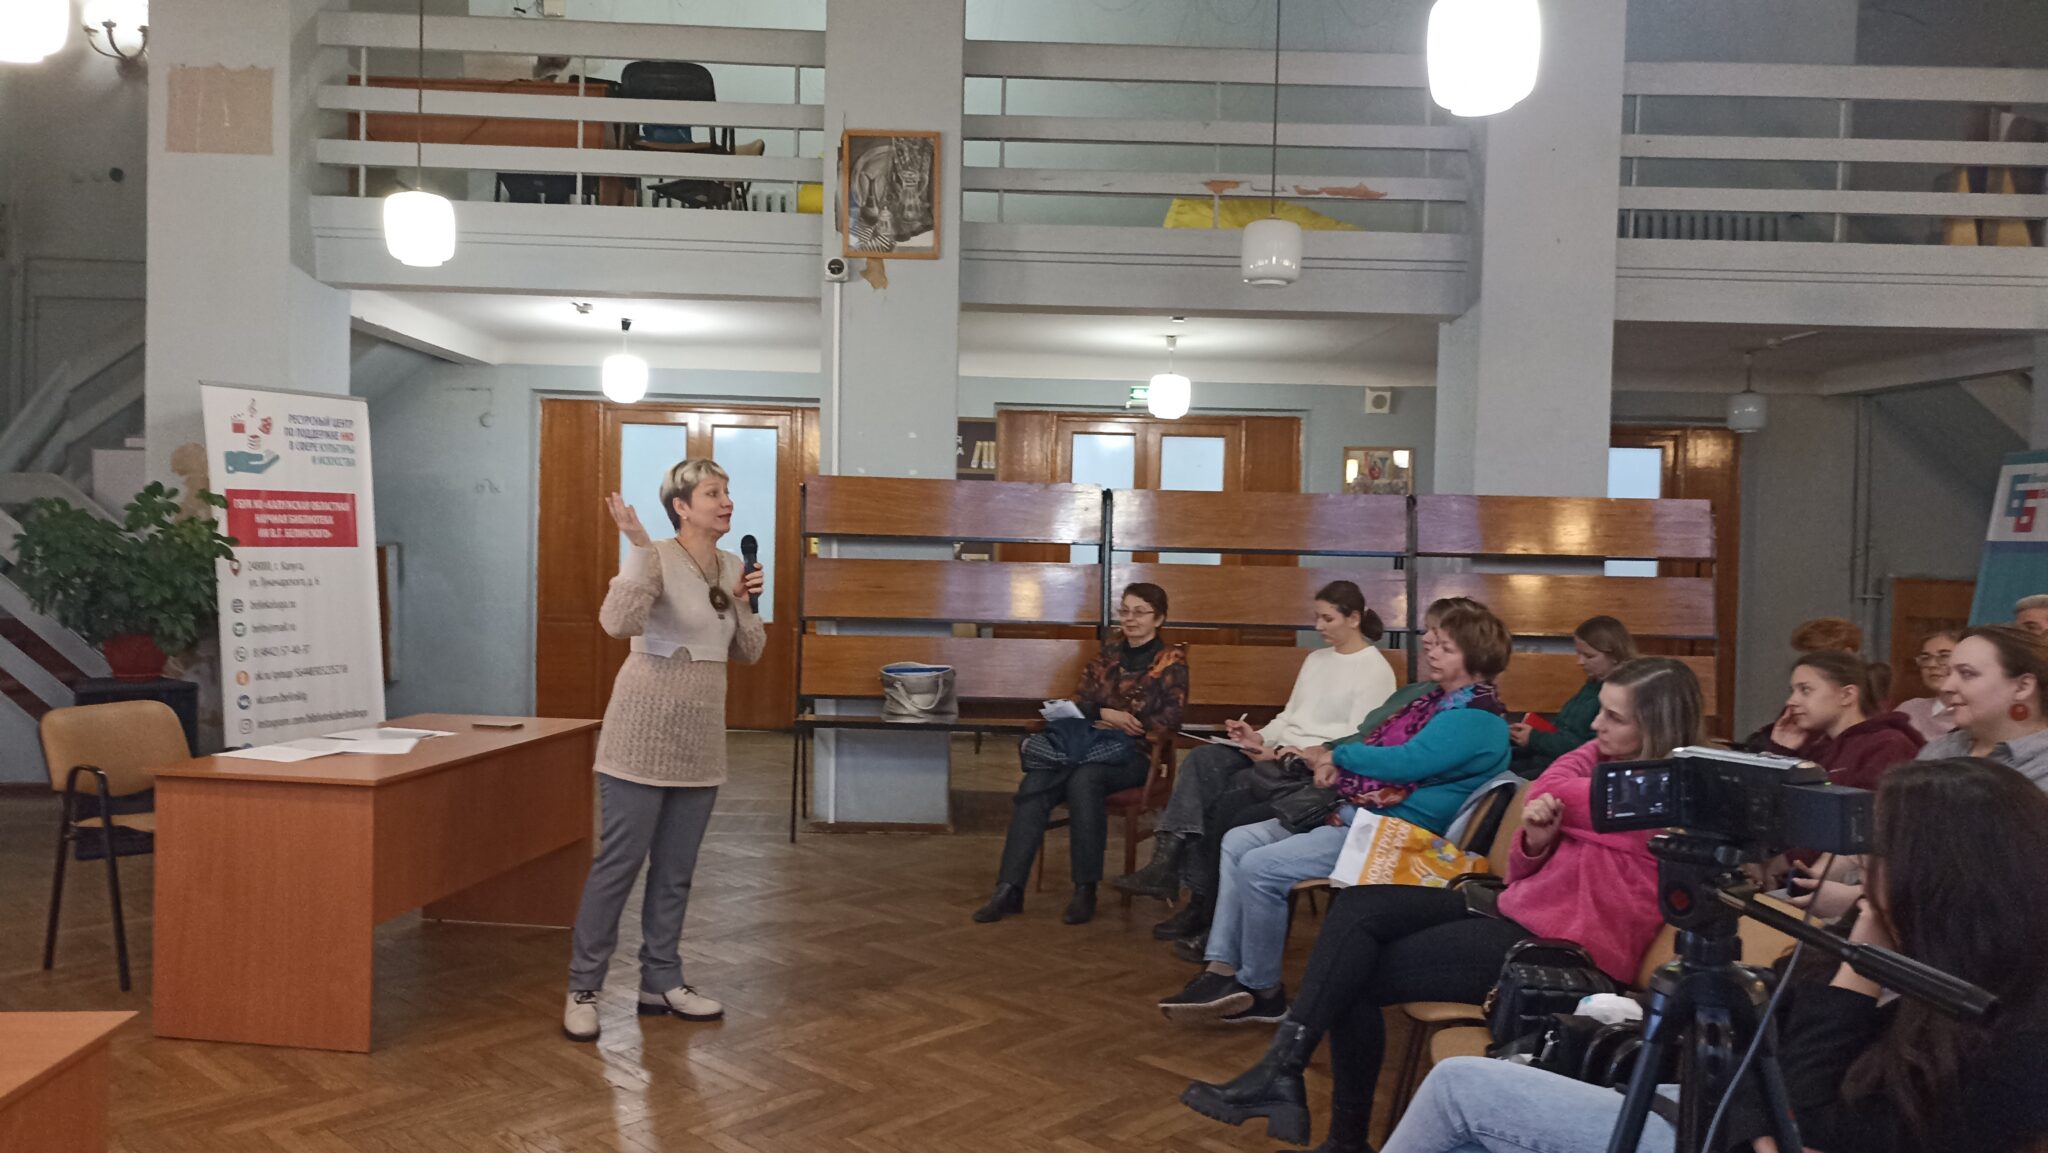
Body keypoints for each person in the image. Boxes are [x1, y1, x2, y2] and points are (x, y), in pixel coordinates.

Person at [1378, 757, 2048, 1153]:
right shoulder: (1883, 927)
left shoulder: (2014, 1026)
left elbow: (1814, 1118)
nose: (1866, 860)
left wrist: (1860, 964)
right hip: (1724, 1120)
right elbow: (1753, 1039)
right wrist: (1761, 1121)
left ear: (1938, 871)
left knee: (1461, 1090)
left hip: (1721, 1130)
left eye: (1882, 847)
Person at [1178, 658, 1704, 1151]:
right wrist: (1538, 841)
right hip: (1520, 911)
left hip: (1567, 953)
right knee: (1355, 910)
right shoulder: (1607, 770)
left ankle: (1324, 1118)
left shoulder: (1669, 800)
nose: (1595, 726)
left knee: (1351, 976)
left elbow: (1558, 789)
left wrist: (1560, 806)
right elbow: (1532, 848)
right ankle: (1286, 1071)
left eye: (1613, 717)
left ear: (1655, 727)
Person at [1156, 604, 1513, 1025]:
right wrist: (1339, 761)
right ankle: (1221, 969)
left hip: (1399, 834)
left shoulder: (1475, 718)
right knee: (1239, 839)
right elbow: (1379, 746)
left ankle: (1262, 990)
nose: (1431, 650)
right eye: (1433, 642)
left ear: (1476, 659)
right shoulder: (1437, 702)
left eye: (1446, 648)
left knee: (1260, 867)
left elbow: (1403, 763)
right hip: (1365, 814)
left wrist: (1337, 756)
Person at [563, 459, 767, 1044]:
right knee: (619, 867)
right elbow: (616, 622)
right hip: (639, 738)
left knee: (676, 872)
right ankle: (583, 988)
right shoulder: (652, 556)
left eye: (727, 492)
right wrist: (635, 548)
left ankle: (661, 981)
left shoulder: (731, 565)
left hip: (699, 742)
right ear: (681, 506)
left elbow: (749, 652)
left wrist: (745, 600)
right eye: (712, 493)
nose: (726, 502)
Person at [1112, 581, 1396, 905]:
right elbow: (1289, 716)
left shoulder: (1375, 670)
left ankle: (1199, 901)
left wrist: (1283, 753)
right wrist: (1258, 737)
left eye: (1327, 619)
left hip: (1307, 767)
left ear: (1354, 618)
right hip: (1277, 753)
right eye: (1317, 617)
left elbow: (1357, 739)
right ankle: (1167, 863)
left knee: (1219, 800)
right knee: (1203, 760)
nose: (1318, 626)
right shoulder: (1317, 659)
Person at [1793, 625, 2048, 921]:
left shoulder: (2040, 768)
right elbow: (1882, 831)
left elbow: (2001, 886)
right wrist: (1818, 880)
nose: (1947, 686)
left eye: (1967, 674)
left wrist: (1864, 901)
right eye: (1949, 672)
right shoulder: (1942, 749)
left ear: (2022, 687)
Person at [974, 582, 1189, 927]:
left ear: (1159, 619)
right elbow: (1079, 702)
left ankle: (1085, 888)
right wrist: (1106, 714)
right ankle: (1008, 888)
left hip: (1134, 755)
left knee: (1085, 780)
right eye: (1125, 611)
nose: (1130, 619)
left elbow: (1171, 719)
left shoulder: (1171, 662)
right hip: (1085, 746)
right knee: (1035, 782)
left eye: (1140, 612)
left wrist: (1127, 723)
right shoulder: (1107, 655)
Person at [1760, 649, 1923, 790]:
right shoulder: (1817, 747)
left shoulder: (1888, 745)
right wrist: (1781, 751)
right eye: (1792, 691)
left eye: (1805, 690)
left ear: (1847, 695)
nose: (1791, 701)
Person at [1510, 615, 1636, 775]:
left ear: (1614, 655)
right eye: (1578, 654)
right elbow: (1564, 729)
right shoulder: (1591, 685)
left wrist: (1535, 738)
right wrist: (1530, 735)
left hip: (1566, 768)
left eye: (1589, 656)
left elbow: (1592, 748)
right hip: (1550, 758)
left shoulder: (1618, 696)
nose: (1580, 662)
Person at [1894, 629, 1959, 742]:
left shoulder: (1979, 714)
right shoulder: (1909, 711)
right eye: (1925, 658)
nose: (1931, 664)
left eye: (1944, 656)